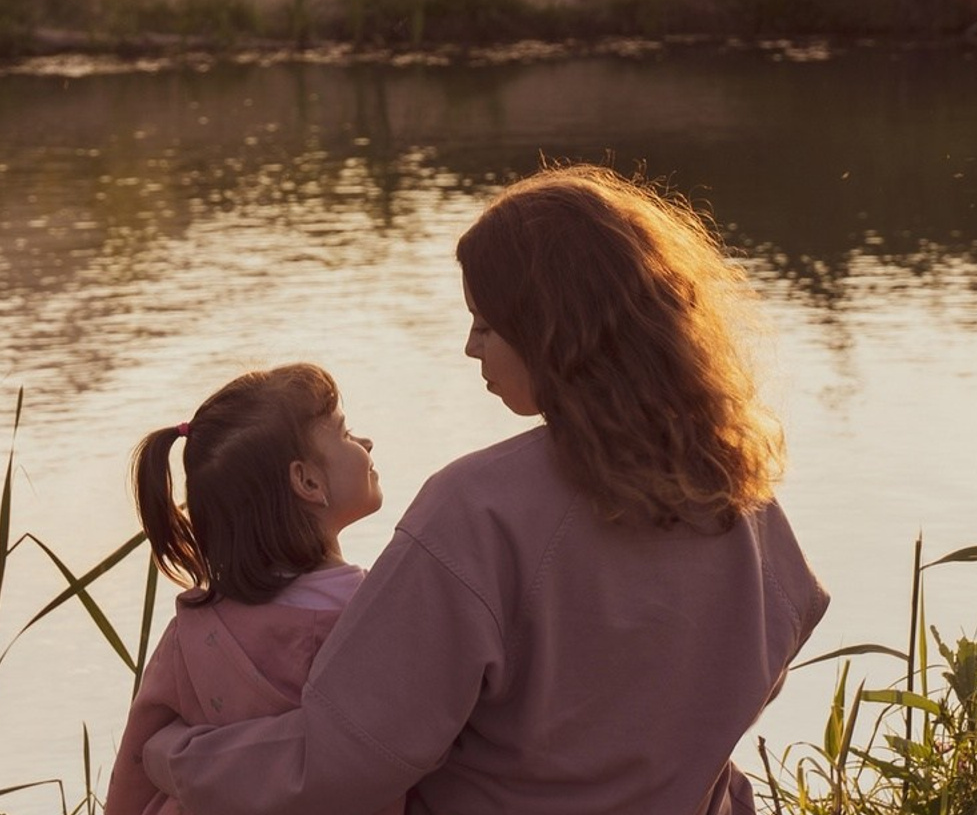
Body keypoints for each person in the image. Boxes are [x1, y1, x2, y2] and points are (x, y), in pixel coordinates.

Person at [145, 167, 829, 815]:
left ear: (553, 331)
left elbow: (343, 758)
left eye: (486, 324)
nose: (471, 348)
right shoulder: (737, 489)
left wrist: (176, 755)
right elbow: (787, 628)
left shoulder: (476, 509)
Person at [103, 364, 388, 815]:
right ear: (307, 482)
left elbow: (136, 762)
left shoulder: (193, 631)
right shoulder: (374, 613)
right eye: (346, 433)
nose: (366, 443)